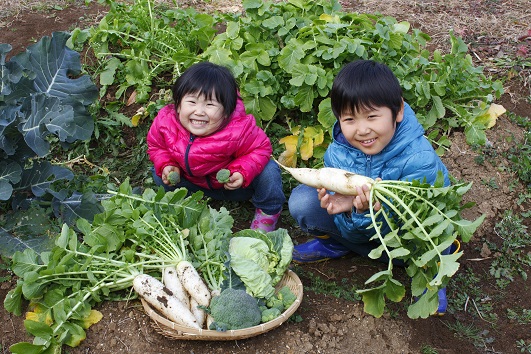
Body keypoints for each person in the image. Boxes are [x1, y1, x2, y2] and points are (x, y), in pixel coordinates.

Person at [288, 59, 455, 315]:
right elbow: (362, 228)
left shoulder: (418, 159)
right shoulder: (338, 155)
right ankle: (339, 245)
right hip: (368, 233)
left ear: (398, 111)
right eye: (350, 119)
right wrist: (351, 210)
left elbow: (416, 227)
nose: (363, 130)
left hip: (411, 240)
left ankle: (430, 267)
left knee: (428, 238)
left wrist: (372, 212)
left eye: (372, 116)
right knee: (303, 202)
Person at [147, 61, 285, 232]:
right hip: (193, 184)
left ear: (226, 111)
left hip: (234, 186)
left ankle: (268, 212)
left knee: (268, 171)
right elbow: (156, 147)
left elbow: (261, 149)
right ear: (178, 103)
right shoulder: (166, 123)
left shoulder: (239, 129)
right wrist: (168, 165)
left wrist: (241, 172)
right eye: (192, 102)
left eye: (210, 104)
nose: (199, 111)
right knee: (158, 172)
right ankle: (190, 203)